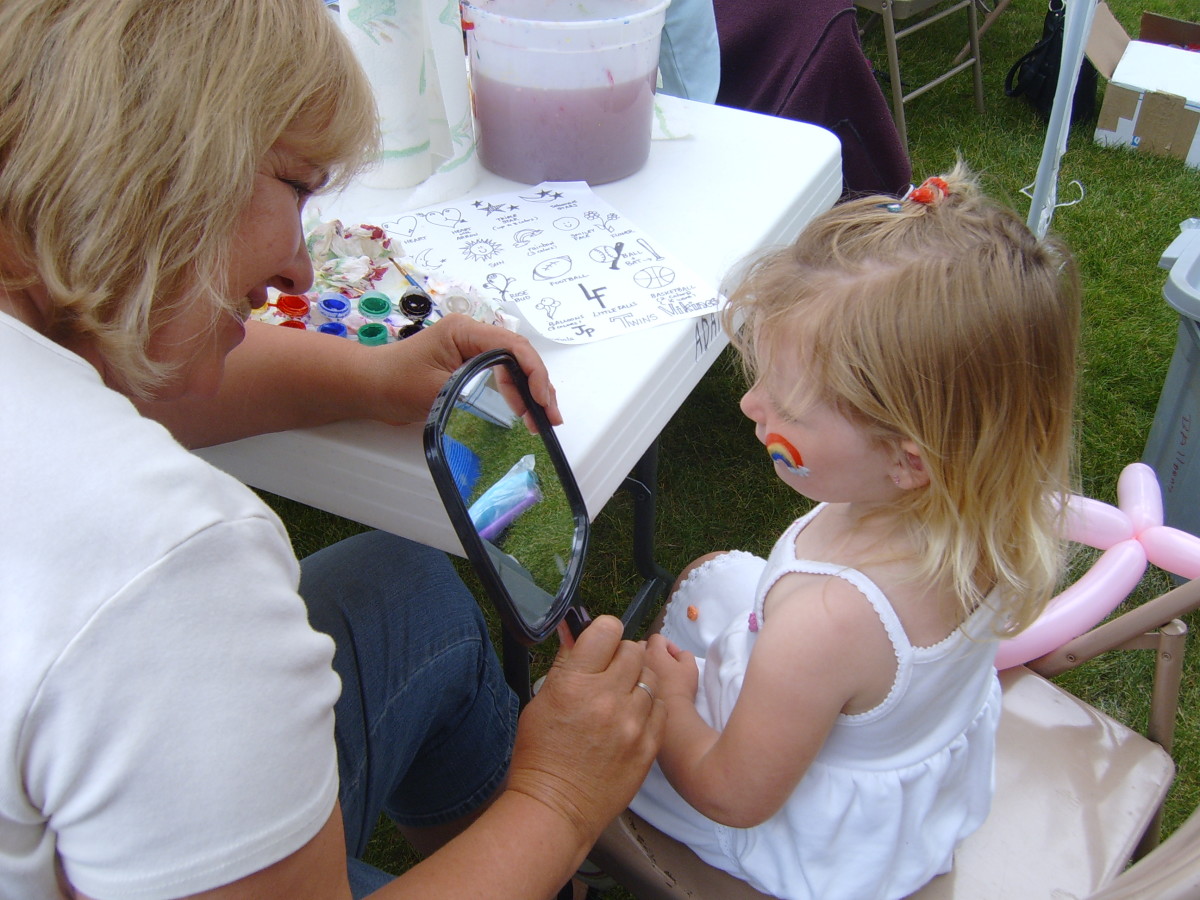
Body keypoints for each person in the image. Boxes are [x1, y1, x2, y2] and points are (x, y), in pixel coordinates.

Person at [0, 2, 664, 899]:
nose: (300, 273)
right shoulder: (166, 565)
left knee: (411, 592)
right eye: (298, 187)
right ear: (162, 160)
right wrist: (555, 799)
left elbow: (126, 364)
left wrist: (379, 379)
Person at [628, 165, 1081, 899]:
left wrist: (672, 701)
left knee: (610, 724)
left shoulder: (828, 621)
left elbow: (732, 794)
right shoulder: (991, 517)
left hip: (800, 837)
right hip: (903, 783)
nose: (749, 405)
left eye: (787, 407)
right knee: (722, 577)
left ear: (907, 461)